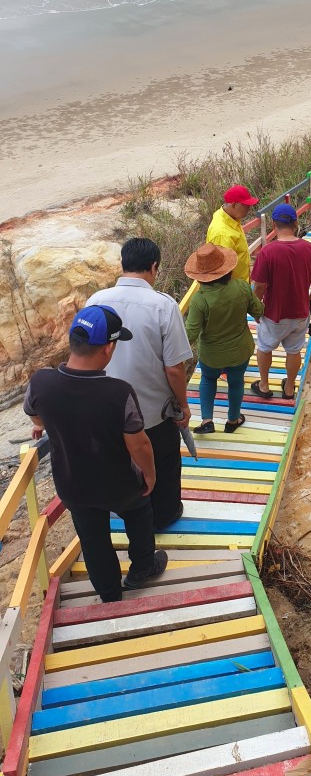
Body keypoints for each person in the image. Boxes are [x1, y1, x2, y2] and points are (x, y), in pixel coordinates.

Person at [23, 306, 168, 602]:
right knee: (139, 514)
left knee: (92, 539)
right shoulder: (118, 392)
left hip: (73, 485)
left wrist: (41, 426)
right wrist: (150, 475)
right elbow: (138, 444)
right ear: (108, 348)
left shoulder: (41, 382)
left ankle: (109, 593)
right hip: (120, 483)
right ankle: (142, 568)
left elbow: (34, 415)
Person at [89, 238, 192, 532]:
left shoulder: (95, 301)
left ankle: (127, 514)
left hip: (105, 411)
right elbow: (173, 367)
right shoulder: (163, 306)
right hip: (152, 412)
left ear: (123, 264)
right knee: (163, 461)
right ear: (154, 267)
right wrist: (183, 405)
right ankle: (164, 515)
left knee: (119, 461)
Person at [185, 243, 264, 434]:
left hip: (211, 355)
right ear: (227, 269)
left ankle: (207, 421)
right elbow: (258, 311)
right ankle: (233, 419)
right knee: (236, 382)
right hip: (239, 350)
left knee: (208, 380)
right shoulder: (242, 287)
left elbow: (190, 334)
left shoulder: (199, 300)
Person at [251, 204, 311, 401]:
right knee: (293, 350)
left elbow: (259, 287)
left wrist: (256, 309)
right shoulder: (308, 247)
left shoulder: (267, 252)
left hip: (274, 314)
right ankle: (289, 388)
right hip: (300, 312)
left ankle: (264, 386)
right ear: (295, 223)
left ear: (274, 224)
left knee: (265, 347)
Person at [206, 185, 259, 283]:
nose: (249, 209)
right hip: (235, 291)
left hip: (242, 283)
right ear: (234, 205)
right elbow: (222, 273)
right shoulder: (222, 234)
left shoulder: (230, 217)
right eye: (246, 206)